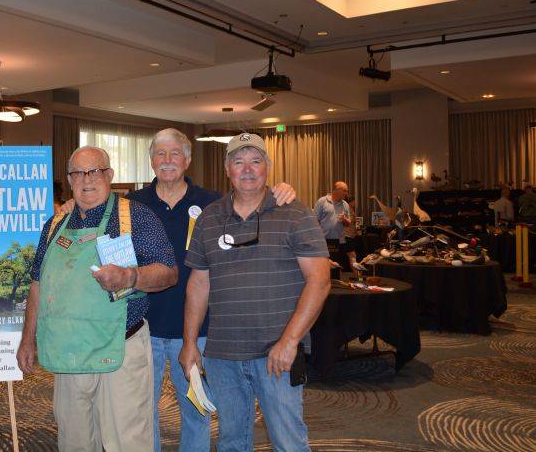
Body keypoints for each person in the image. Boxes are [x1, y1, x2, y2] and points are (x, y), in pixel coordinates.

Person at [127, 128, 297, 452]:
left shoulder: (213, 204)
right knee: (141, 414)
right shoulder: (131, 205)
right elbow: (95, 214)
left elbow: (254, 204)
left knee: (197, 411)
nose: (167, 161)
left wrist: (282, 192)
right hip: (143, 330)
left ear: (188, 159)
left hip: (198, 331)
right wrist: (67, 205)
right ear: (151, 161)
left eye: (174, 153)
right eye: (160, 154)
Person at [17, 145, 177, 452]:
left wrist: (131, 277)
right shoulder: (53, 226)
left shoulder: (136, 217)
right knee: (74, 441)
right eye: (78, 172)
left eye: (94, 171)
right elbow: (38, 284)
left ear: (109, 175)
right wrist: (27, 340)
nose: (86, 179)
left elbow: (168, 272)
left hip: (121, 348)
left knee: (126, 441)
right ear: (69, 179)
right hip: (71, 352)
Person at [180, 133, 330, 452]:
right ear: (227, 169)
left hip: (277, 354)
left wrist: (289, 342)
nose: (247, 169)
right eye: (238, 161)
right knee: (232, 441)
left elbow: (320, 281)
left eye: (256, 160)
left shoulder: (296, 213)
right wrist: (190, 342)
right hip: (223, 354)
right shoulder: (209, 218)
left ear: (268, 167)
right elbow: (198, 283)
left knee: (288, 440)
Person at [315, 182, 353, 270]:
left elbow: (348, 224)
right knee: (324, 268)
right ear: (337, 190)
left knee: (336, 267)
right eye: (344, 191)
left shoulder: (345, 205)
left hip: (338, 241)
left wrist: (344, 219)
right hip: (324, 241)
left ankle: (336, 283)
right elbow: (315, 220)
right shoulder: (322, 201)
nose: (346, 193)